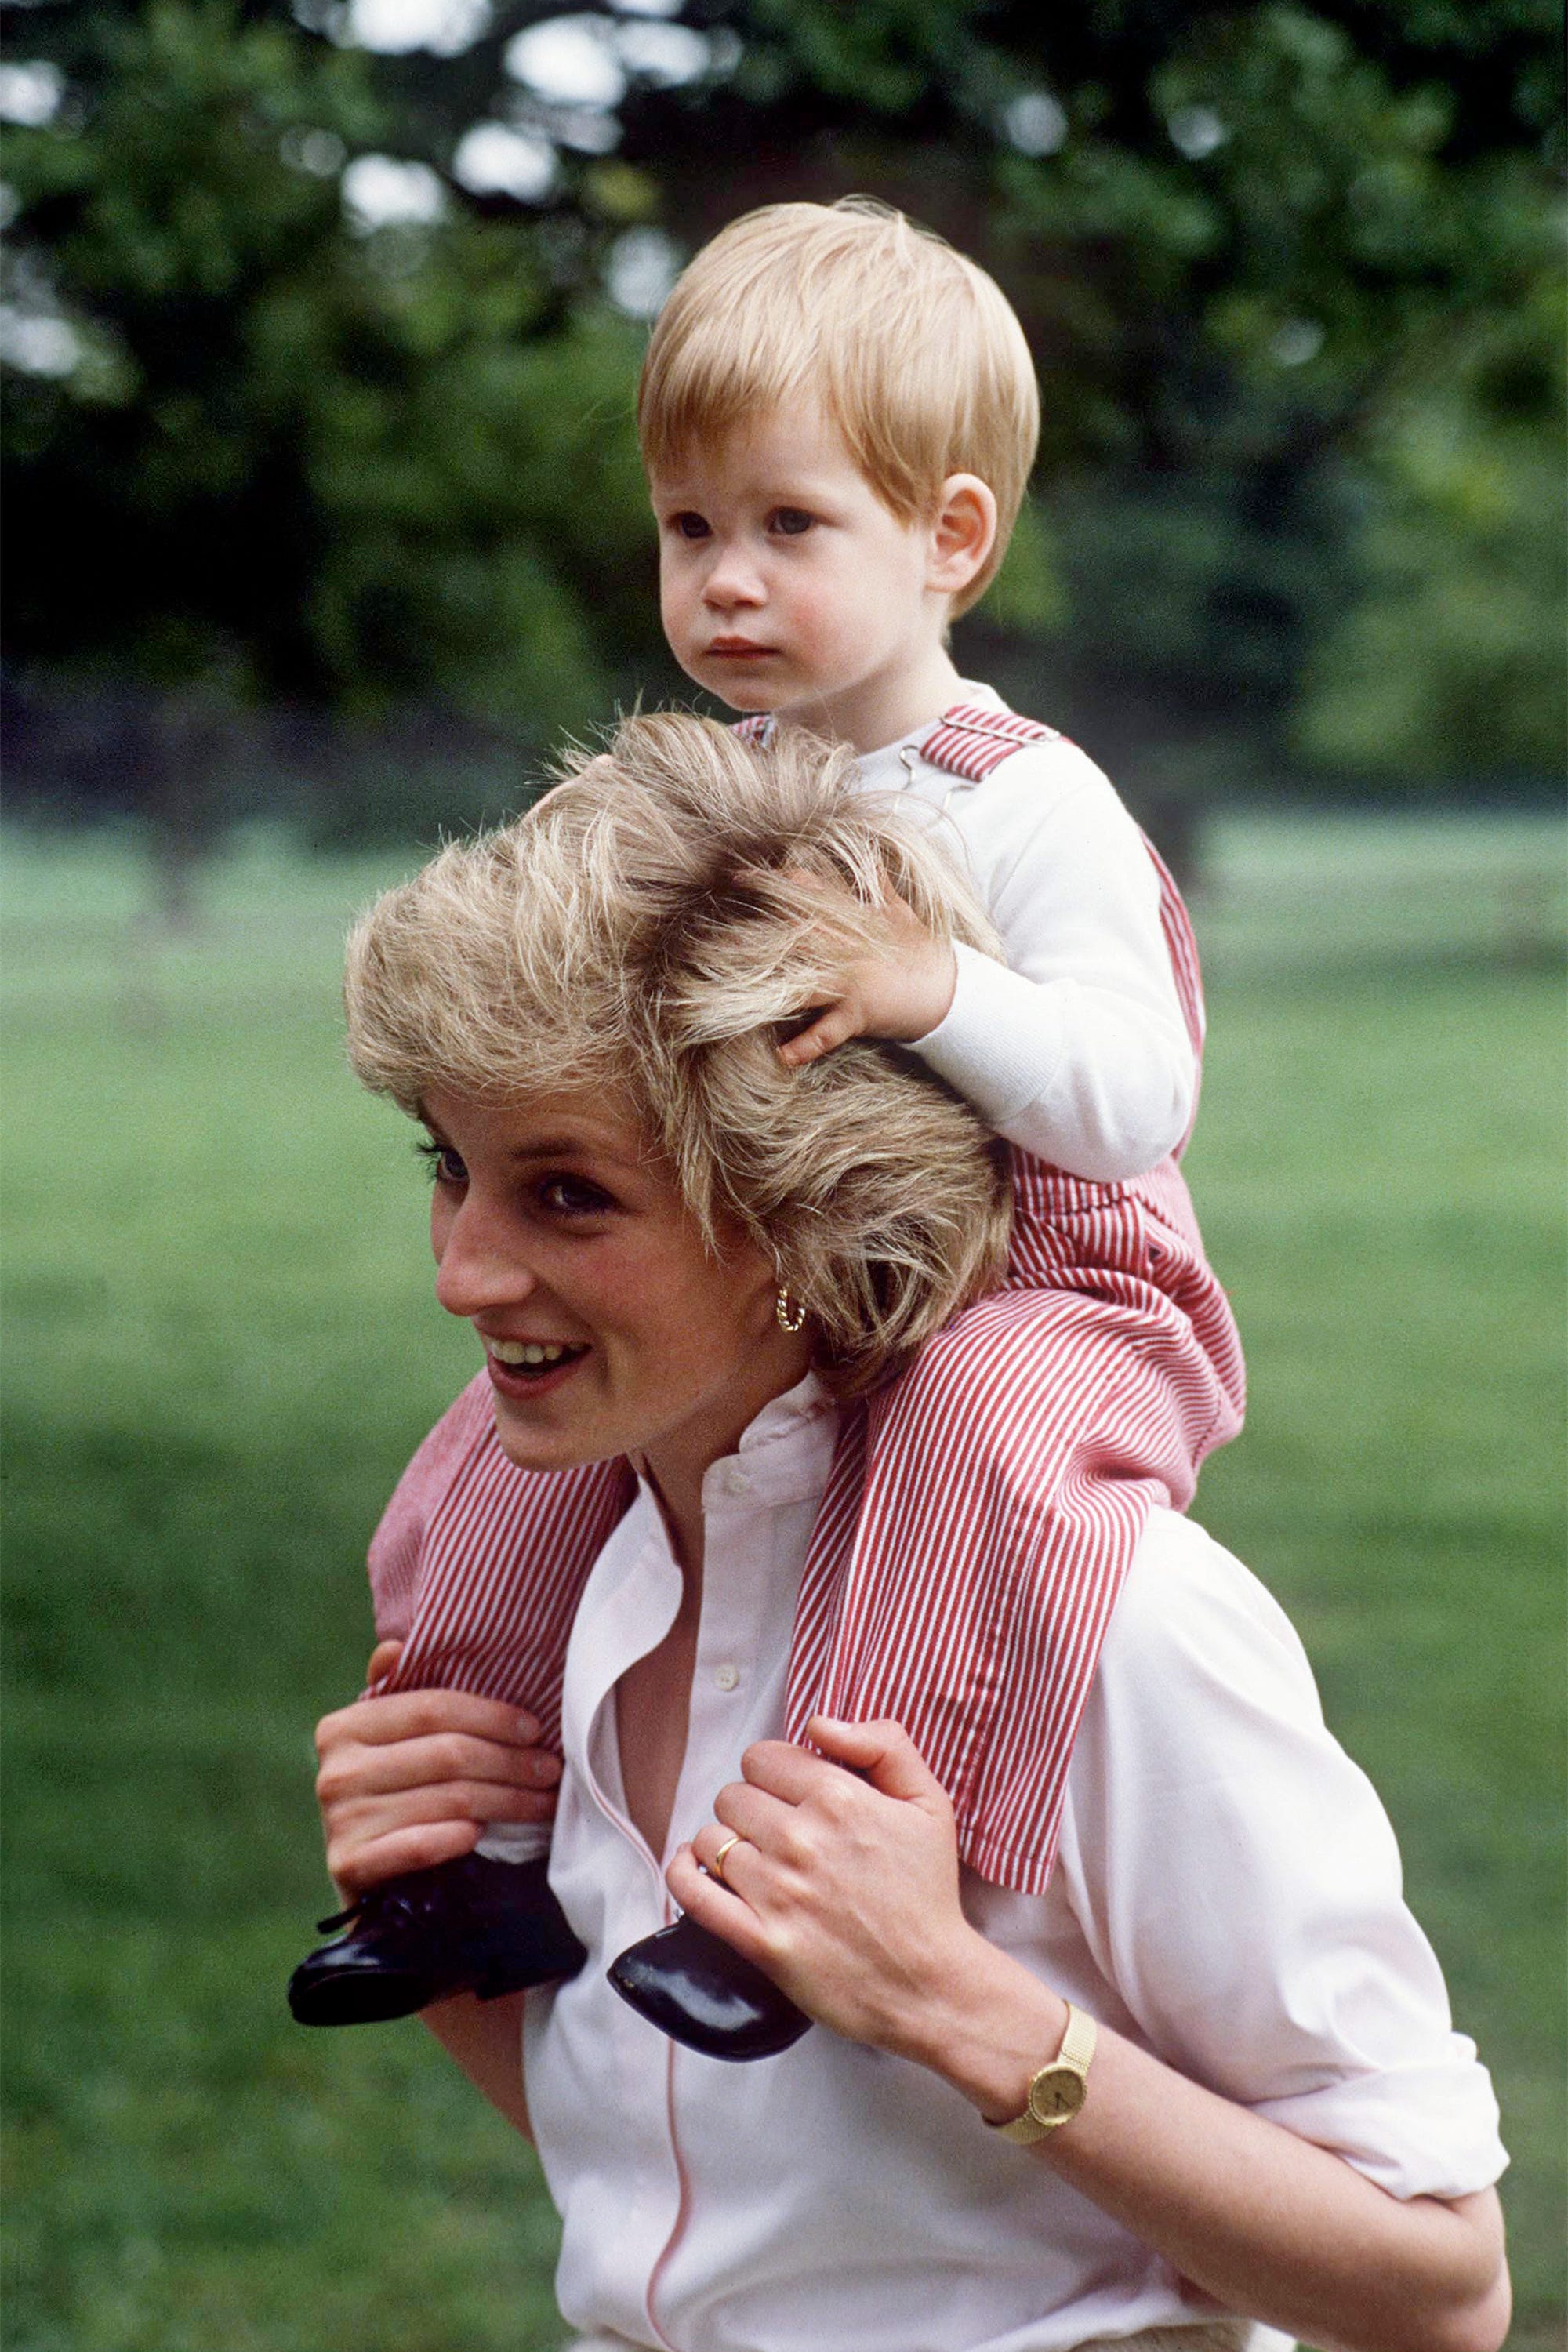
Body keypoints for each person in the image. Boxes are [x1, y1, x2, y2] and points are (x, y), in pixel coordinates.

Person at [309, 718, 1509, 2352]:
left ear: (800, 1211)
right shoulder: (578, 1577)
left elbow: (1439, 2287)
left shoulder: (1110, 1622)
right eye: (449, 1168)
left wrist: (953, 2003)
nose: (462, 1269)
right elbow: (711, 2218)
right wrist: (444, 1926)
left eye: (567, 1195)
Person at [289, 197, 1246, 2036]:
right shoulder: (711, 776)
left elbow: (1133, 1103)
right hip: (778, 1270)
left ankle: (799, 1886)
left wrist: (930, 991)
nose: (724, 579)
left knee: (969, 1440)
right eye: (688, 527)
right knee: (484, 1469)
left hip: (1047, 1289)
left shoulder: (1021, 795)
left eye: (787, 525)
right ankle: (461, 1864)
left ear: (948, 535)